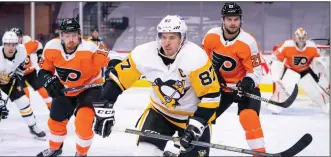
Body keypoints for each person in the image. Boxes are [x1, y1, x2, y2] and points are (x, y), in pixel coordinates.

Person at [92, 15, 221, 157]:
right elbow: (117, 78)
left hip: (192, 116)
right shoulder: (144, 53)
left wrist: (196, 126)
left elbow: (211, 95)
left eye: (172, 37)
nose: (166, 42)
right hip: (160, 113)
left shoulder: (196, 57)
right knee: (145, 153)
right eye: (163, 37)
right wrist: (105, 106)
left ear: (182, 38)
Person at [36, 18, 111, 157]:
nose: (71, 39)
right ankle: (55, 149)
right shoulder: (52, 47)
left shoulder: (90, 48)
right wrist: (48, 79)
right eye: (67, 35)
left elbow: (112, 56)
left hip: (90, 88)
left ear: (79, 34)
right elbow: (43, 71)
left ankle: (81, 154)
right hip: (66, 89)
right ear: (61, 35)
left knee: (84, 123)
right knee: (55, 122)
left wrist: (113, 67)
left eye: (74, 35)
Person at [201, 2, 266, 155]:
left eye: (236, 19)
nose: (232, 23)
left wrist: (248, 82)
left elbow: (256, 72)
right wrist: (210, 76)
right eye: (229, 19)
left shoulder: (248, 42)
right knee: (202, 117)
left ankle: (260, 152)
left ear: (240, 20)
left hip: (243, 88)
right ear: (223, 20)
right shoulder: (211, 36)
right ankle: (195, 149)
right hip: (218, 88)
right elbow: (202, 61)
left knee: (248, 116)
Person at [268, 27, 330, 114]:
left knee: (314, 90)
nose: (301, 40)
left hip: (305, 70)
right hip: (291, 69)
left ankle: (326, 105)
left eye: (303, 38)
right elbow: (276, 57)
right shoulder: (287, 45)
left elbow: (318, 59)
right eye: (299, 38)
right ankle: (275, 105)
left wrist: (320, 64)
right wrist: (276, 69)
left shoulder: (312, 46)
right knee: (285, 87)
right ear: (295, 37)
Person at [0, 31, 46, 139]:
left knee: (23, 102)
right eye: (8, 44)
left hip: (9, 79)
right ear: (3, 44)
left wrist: (18, 76)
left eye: (13, 44)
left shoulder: (21, 50)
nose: (11, 47)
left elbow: (20, 67)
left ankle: (33, 126)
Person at [10, 28, 52, 110]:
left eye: (18, 37)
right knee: (25, 94)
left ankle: (51, 106)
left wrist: (40, 54)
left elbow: (38, 44)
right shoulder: (8, 48)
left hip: (30, 72)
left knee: (43, 90)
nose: (17, 40)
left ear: (21, 37)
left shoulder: (27, 44)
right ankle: (27, 110)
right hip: (18, 75)